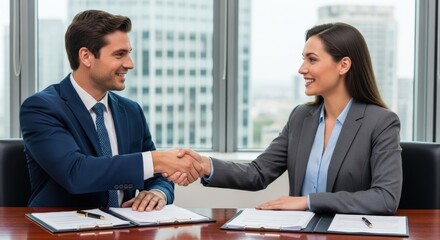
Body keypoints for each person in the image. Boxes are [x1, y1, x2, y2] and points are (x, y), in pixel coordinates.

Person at [170, 22, 402, 215]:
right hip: (298, 231)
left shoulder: (381, 123)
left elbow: (385, 198)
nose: (302, 69)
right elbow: (257, 173)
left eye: (312, 59)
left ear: (343, 65)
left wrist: (308, 201)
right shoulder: (302, 117)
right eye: (304, 59)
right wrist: (204, 165)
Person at [19, 10, 202, 210]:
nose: (129, 64)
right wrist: (156, 160)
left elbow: (157, 175)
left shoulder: (132, 111)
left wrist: (158, 192)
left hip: (125, 228)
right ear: (86, 56)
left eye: (128, 53)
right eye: (119, 54)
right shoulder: (41, 108)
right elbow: (76, 174)